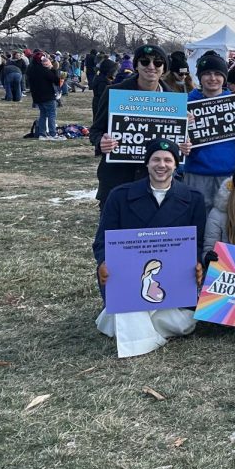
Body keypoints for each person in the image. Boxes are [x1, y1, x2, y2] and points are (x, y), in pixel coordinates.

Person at [93, 138, 205, 358]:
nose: (161, 165)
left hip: (172, 281)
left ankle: (117, 320)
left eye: (167, 160)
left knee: (185, 323)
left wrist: (198, 263)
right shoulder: (120, 195)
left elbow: (197, 242)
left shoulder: (193, 199)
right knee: (132, 301)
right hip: (127, 277)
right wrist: (103, 261)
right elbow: (102, 240)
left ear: (176, 164)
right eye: (155, 159)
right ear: (146, 163)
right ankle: (129, 321)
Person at [90, 44, 181, 204]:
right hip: (118, 178)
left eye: (158, 63)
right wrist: (101, 142)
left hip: (156, 180)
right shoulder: (114, 93)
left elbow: (176, 140)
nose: (151, 67)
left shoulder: (174, 100)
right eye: (145, 62)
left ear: (164, 68)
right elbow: (96, 130)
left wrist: (184, 144)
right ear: (137, 66)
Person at [181, 51, 235, 207]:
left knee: (228, 220)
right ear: (199, 77)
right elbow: (174, 141)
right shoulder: (185, 104)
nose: (212, 78)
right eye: (207, 73)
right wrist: (183, 126)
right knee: (197, 218)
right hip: (196, 173)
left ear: (224, 77)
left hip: (228, 174)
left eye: (217, 74)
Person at [26, 52, 61, 140]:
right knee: (51, 115)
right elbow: (57, 81)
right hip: (47, 95)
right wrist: (53, 70)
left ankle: (42, 134)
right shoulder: (44, 70)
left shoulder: (30, 70)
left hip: (37, 96)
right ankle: (53, 134)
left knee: (43, 114)